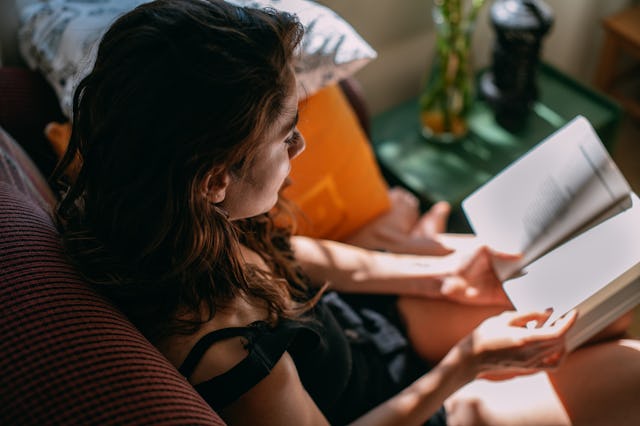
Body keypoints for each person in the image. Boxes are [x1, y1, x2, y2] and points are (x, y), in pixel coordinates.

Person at [52, 0, 640, 425]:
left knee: (599, 310)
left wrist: (434, 275)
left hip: (358, 325)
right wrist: (468, 365)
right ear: (213, 181)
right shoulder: (223, 351)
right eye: (287, 136)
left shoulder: (165, 213)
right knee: (631, 370)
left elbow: (290, 255)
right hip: (394, 404)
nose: (300, 147)